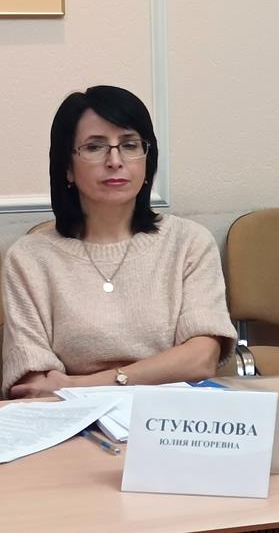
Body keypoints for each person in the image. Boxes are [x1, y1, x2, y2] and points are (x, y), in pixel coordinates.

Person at [1, 85, 237, 398]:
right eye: (95, 147)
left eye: (129, 145)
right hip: (74, 418)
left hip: (172, 413)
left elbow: (201, 358)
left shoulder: (188, 242)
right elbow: (36, 385)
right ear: (67, 167)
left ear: (147, 160)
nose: (115, 160)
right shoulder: (30, 257)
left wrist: (80, 384)